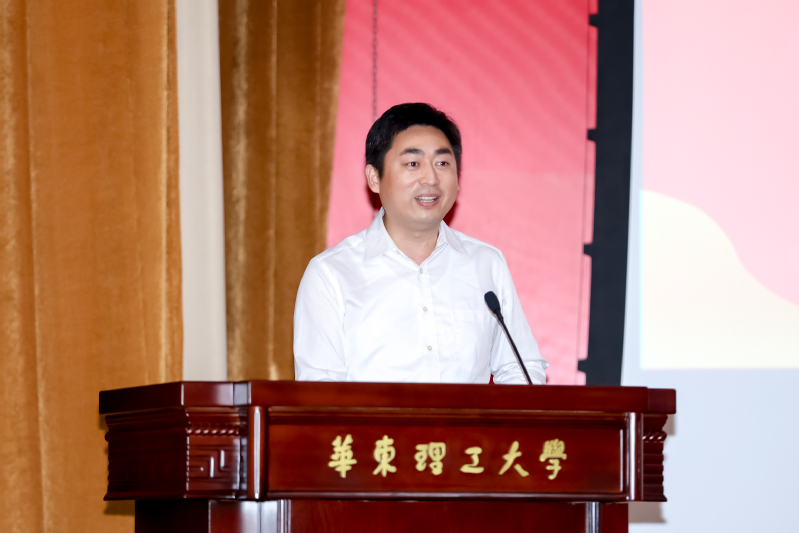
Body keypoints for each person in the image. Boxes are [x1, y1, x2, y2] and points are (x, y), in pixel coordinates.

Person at [293, 103, 548, 384]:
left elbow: (520, 369)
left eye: (442, 163)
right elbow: (320, 388)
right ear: (374, 178)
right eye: (413, 164)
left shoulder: (486, 264)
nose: (431, 178)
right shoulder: (331, 273)